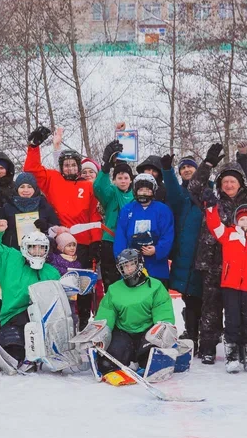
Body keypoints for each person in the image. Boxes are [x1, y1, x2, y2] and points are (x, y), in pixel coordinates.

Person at [188, 144, 247, 364]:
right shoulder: (211, 201)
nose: (228, 184)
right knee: (211, 308)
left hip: (240, 267)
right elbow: (194, 186)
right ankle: (208, 347)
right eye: (225, 181)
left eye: (233, 181)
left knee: (240, 311)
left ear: (240, 184)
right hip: (213, 263)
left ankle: (240, 348)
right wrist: (207, 164)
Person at [0, 216, 61, 373]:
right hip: (14, 316)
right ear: (24, 248)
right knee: (14, 347)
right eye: (32, 247)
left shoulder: (52, 272)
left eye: (41, 248)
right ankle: (13, 355)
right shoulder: (11, 259)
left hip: (44, 319)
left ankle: (39, 355)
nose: (37, 252)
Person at [205, 201, 247, 373]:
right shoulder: (228, 234)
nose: (244, 222)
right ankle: (232, 357)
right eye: (241, 219)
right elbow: (214, 225)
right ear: (236, 221)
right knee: (232, 321)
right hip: (231, 286)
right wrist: (211, 207)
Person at [88, 249, 176, 380]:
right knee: (107, 364)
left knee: (150, 362)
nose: (128, 269)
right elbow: (105, 316)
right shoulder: (114, 289)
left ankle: (150, 357)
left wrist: (162, 331)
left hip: (148, 333)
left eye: (131, 264)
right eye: (124, 266)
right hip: (124, 332)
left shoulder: (156, 286)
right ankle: (128, 357)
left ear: (139, 264)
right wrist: (98, 336)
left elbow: (163, 315)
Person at [23, 125, 102, 262]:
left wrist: (96, 241)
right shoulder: (53, 179)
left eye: (73, 165)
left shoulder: (88, 186)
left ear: (78, 167)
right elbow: (32, 169)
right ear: (61, 167)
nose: (70, 168)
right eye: (66, 165)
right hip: (59, 241)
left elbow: (94, 216)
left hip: (83, 242)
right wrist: (34, 147)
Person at [163, 153, 205, 346]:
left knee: (206, 296)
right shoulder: (179, 194)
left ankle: (208, 333)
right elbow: (171, 189)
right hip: (185, 252)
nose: (187, 170)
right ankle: (191, 332)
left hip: (206, 251)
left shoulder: (207, 191)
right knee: (189, 296)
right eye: (183, 168)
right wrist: (167, 171)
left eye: (190, 167)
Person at [112, 173, 175, 284]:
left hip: (156, 267)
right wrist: (122, 257)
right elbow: (120, 236)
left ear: (153, 191)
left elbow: (168, 234)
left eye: (147, 190)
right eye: (141, 190)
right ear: (135, 191)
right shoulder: (127, 210)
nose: (144, 193)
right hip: (131, 266)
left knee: (156, 297)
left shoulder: (163, 210)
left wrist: (157, 249)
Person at [93, 135, 134, 289]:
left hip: (130, 242)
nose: (123, 180)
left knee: (130, 281)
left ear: (131, 179)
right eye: (119, 177)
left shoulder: (136, 196)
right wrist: (105, 167)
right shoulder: (111, 193)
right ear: (114, 180)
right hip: (110, 241)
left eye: (125, 177)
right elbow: (98, 188)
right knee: (111, 283)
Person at [0, 172, 60, 250]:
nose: (26, 190)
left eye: (29, 187)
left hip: (40, 252)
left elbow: (57, 230)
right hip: (14, 253)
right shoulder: (8, 207)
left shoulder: (44, 206)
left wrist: (46, 227)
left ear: (35, 188)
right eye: (22, 187)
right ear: (17, 188)